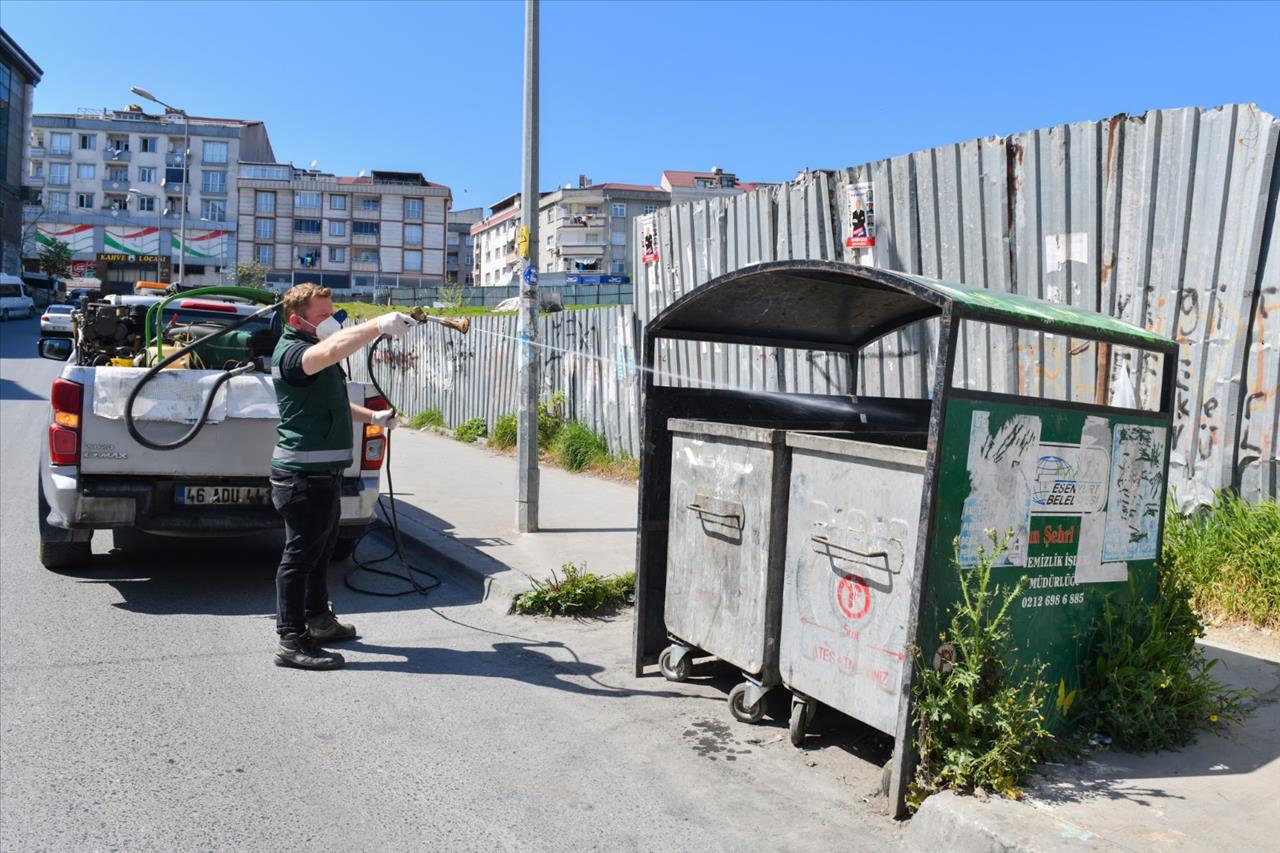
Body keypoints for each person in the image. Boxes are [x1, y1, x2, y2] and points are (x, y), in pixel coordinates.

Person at [269, 283, 414, 670]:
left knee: (319, 553)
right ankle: (291, 639)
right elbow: (331, 349)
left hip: (324, 473)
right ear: (297, 320)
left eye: (334, 314)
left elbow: (332, 402)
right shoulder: (294, 354)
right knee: (299, 557)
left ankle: (318, 620)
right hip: (302, 475)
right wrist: (378, 326)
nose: (331, 322)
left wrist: (373, 417)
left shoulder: (315, 353)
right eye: (322, 316)